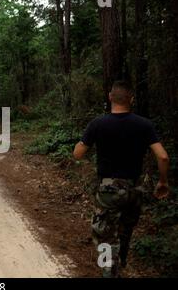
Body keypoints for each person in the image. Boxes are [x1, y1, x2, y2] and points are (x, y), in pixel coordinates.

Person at [73, 81, 170, 277]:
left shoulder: (98, 124)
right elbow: (163, 156)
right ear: (131, 99)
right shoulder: (144, 125)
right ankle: (121, 260)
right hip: (134, 189)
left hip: (108, 190)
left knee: (104, 234)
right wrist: (163, 181)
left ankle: (109, 271)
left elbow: (78, 154)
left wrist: (83, 142)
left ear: (110, 98)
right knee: (125, 229)